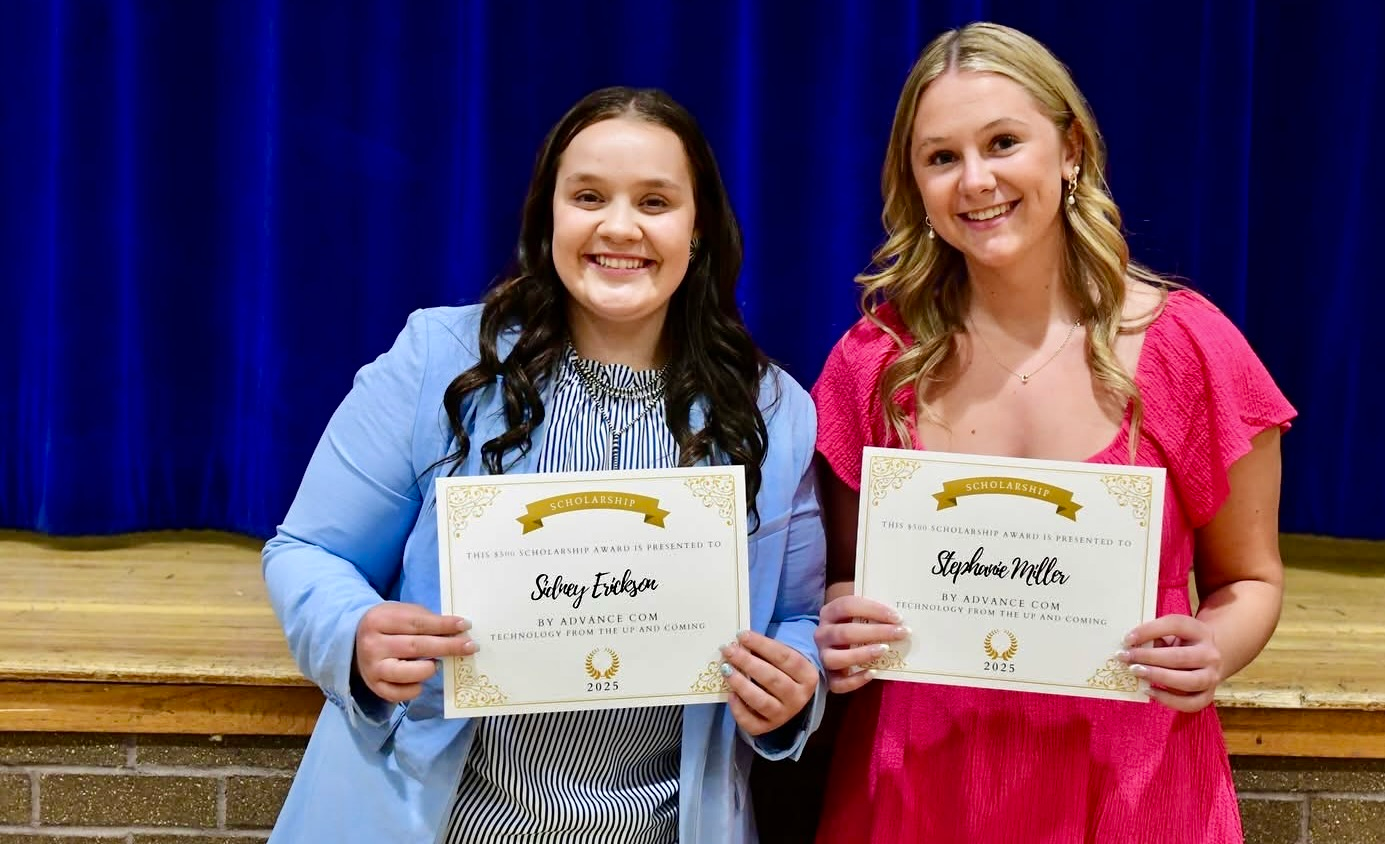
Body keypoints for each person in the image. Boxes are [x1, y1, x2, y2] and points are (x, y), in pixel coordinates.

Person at [262, 86, 827, 843]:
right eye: (588, 196)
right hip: (434, 819)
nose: (619, 226)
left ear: (698, 229)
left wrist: (791, 685)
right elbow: (308, 552)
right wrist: (356, 634)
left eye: (655, 202)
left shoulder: (773, 410)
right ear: (549, 217)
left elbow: (796, 616)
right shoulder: (440, 360)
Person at [810, 23, 1294, 843]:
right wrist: (840, 624)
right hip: (920, 790)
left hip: (1135, 789)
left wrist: (1212, 648)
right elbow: (841, 586)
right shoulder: (872, 365)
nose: (976, 180)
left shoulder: (1192, 350)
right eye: (941, 157)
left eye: (1004, 142)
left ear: (1070, 149)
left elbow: (1252, 583)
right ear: (914, 183)